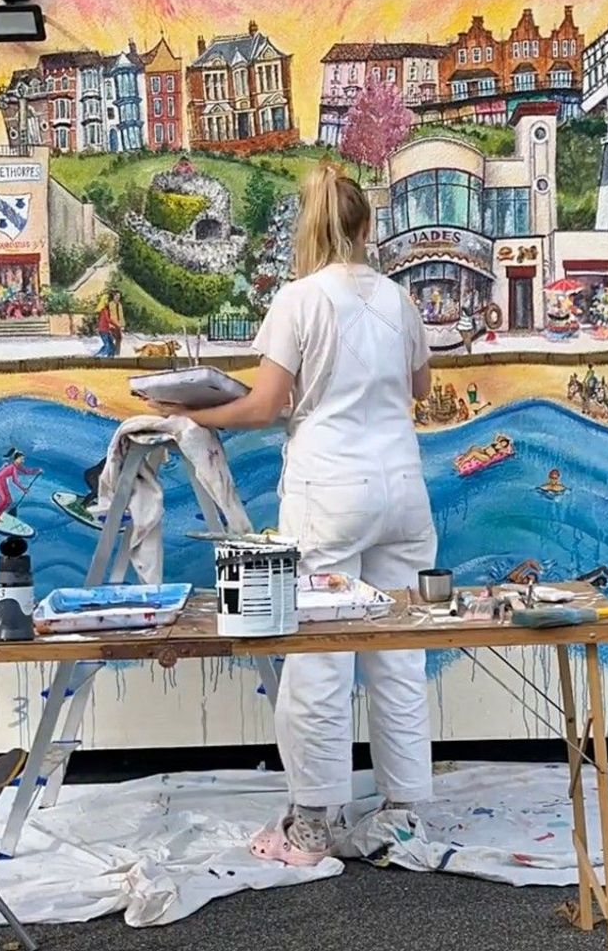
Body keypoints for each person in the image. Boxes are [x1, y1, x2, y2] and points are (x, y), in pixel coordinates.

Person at [155, 163, 437, 866]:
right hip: (402, 486)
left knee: (319, 659)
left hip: (331, 490)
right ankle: (403, 817)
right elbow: (419, 387)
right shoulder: (400, 301)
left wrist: (188, 409)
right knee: (397, 655)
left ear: (308, 230)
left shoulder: (300, 299)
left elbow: (265, 405)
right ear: (367, 227)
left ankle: (312, 824)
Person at [0, 448, 40, 524]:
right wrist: (23, 489)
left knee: (9, 501)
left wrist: (37, 471)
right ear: (16, 459)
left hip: (2, 481)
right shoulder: (13, 467)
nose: (23, 461)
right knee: (3, 499)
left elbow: (27, 471)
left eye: (23, 459)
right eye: (21, 459)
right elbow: (15, 480)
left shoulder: (17, 466)